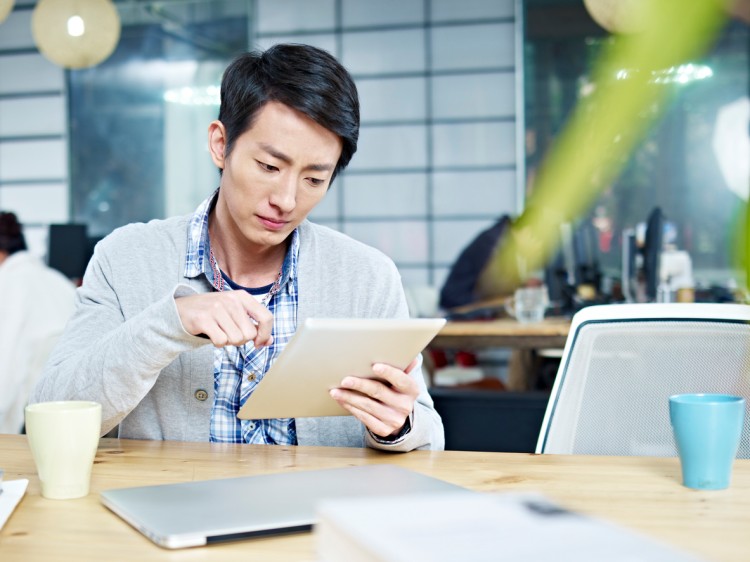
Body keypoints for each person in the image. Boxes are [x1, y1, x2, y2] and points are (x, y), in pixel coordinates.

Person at [31, 44, 444, 451]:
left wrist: (397, 426)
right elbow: (50, 412)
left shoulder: (367, 276)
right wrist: (169, 322)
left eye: (314, 180)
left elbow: (430, 437)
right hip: (170, 508)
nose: (286, 199)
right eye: (269, 167)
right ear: (220, 144)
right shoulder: (125, 259)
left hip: (317, 511)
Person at [0, 212, 77, 433]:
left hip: (33, 413)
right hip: (75, 408)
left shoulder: (8, 282)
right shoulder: (55, 278)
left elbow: (6, 358)